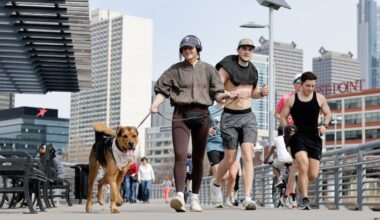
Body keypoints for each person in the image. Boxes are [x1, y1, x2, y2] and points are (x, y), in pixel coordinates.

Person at [150, 35, 228, 212]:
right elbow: (162, 91)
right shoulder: (175, 69)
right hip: (181, 114)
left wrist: (225, 96)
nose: (187, 51)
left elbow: (217, 94)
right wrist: (155, 104)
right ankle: (179, 195)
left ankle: (195, 198)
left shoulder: (209, 69)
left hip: (202, 115)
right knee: (180, 154)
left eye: (190, 48)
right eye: (184, 48)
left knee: (199, 158)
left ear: (197, 49)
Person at [211, 38, 268, 210]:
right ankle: (215, 184)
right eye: (244, 48)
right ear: (238, 50)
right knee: (229, 157)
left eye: (250, 49)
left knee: (248, 155)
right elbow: (217, 92)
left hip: (248, 116)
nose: (247, 51)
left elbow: (254, 93)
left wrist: (262, 93)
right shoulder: (226, 66)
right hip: (229, 116)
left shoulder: (253, 70)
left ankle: (247, 197)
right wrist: (229, 94)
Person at [280, 71, 331, 210]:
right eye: (308, 86)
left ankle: (299, 180)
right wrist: (287, 128)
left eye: (313, 86)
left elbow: (328, 113)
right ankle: (304, 200)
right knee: (303, 164)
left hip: (314, 137)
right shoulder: (292, 99)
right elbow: (282, 117)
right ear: (301, 84)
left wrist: (324, 125)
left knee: (312, 174)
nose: (310, 89)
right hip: (298, 136)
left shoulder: (319, 98)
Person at [274, 73, 302, 208]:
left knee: (296, 168)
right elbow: (276, 113)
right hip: (286, 133)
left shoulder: (307, 100)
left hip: (300, 133)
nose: (300, 84)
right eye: (297, 82)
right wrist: (286, 124)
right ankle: (290, 197)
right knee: (293, 166)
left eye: (302, 82)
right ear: (293, 84)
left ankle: (290, 196)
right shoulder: (286, 98)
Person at [207, 102, 239, 208]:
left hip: (229, 144)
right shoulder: (210, 110)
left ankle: (228, 198)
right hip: (213, 144)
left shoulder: (232, 109)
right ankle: (218, 199)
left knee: (232, 176)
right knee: (221, 175)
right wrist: (208, 131)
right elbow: (202, 126)